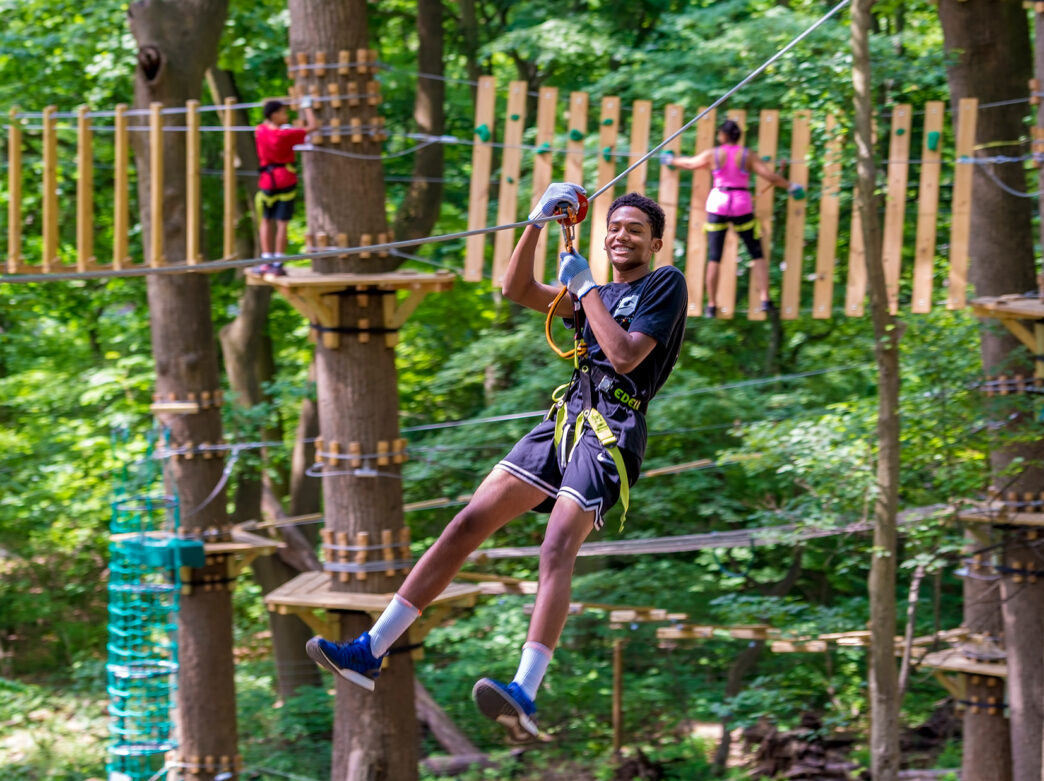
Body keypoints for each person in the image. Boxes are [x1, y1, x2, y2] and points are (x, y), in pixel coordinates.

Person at [305, 183, 688, 742]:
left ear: (655, 242)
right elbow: (515, 288)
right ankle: (371, 649)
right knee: (465, 523)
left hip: (613, 426)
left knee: (556, 546)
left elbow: (627, 357)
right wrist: (536, 220)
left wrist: (584, 290)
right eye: (615, 227)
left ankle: (525, 691)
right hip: (566, 418)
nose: (621, 235)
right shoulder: (595, 292)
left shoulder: (663, 284)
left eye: (635, 229)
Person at [663, 119, 804, 317]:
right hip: (741, 205)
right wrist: (791, 186)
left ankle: (711, 305)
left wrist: (670, 160)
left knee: (715, 256)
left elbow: (690, 163)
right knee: (756, 253)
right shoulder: (747, 155)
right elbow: (770, 177)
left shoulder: (714, 154)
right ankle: (765, 299)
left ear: (723, 135)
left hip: (718, 204)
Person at [252, 97, 319, 276]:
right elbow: (313, 126)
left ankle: (266, 259)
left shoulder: (260, 130)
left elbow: (266, 106)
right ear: (274, 115)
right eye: (282, 112)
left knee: (266, 220)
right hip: (285, 179)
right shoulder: (286, 135)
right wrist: (307, 107)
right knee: (282, 223)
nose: (286, 114)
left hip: (267, 180)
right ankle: (278, 261)